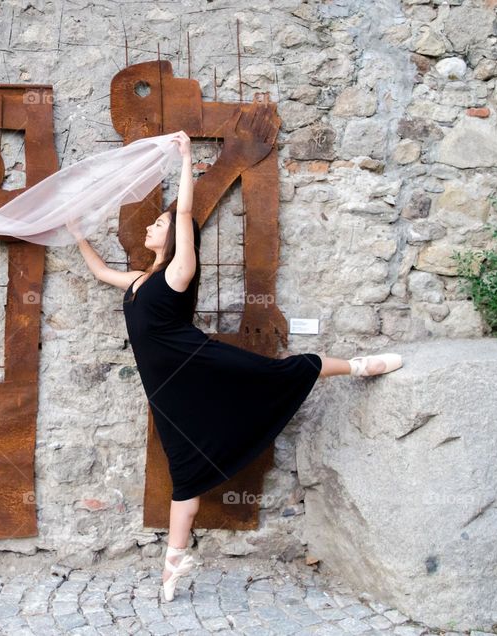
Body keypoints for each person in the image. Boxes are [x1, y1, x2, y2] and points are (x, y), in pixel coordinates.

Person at [67, 131, 403, 603]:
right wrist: (76, 234)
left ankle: (359, 365)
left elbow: (185, 212)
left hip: (200, 362)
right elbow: (102, 272)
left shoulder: (178, 273)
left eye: (157, 225)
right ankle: (174, 562)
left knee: (279, 372)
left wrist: (186, 158)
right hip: (166, 389)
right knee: (185, 470)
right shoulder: (139, 279)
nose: (149, 229)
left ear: (176, 235)